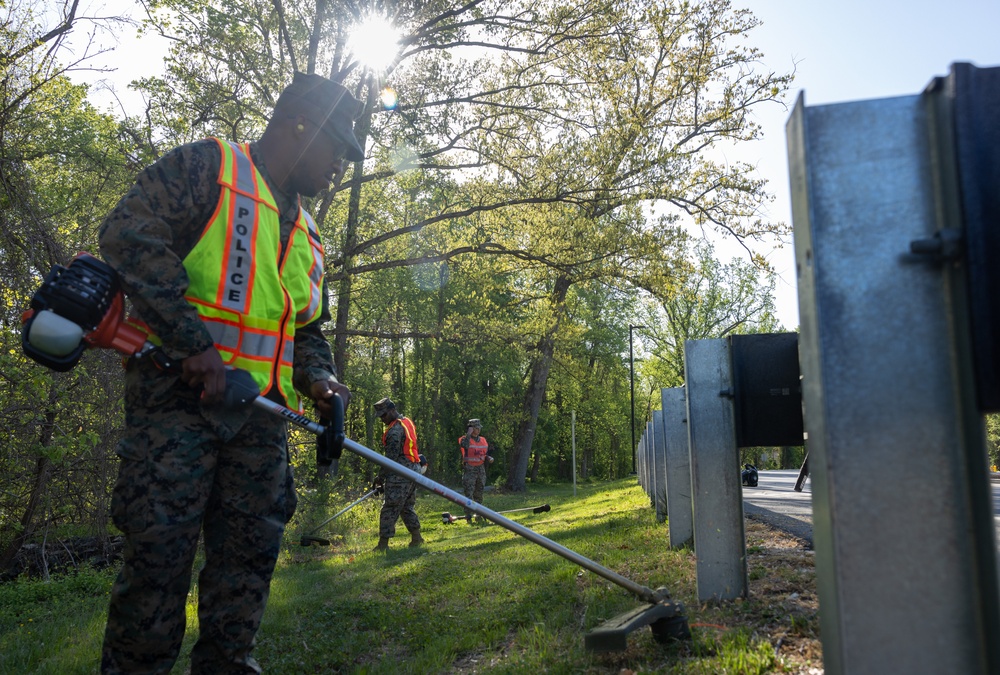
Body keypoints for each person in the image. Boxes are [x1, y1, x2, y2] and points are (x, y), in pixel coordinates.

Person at [97, 71, 361, 674]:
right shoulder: (209, 168)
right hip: (177, 411)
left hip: (259, 421)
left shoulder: (310, 236)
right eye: (336, 151)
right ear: (301, 127)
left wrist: (319, 380)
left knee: (247, 565)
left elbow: (306, 330)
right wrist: (191, 342)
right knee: (157, 569)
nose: (339, 170)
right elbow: (127, 232)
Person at [372, 397, 424, 550]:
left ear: (393, 410)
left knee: (390, 507)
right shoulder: (406, 421)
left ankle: (383, 545)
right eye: (380, 416)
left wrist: (380, 477)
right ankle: (417, 538)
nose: (382, 419)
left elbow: (391, 459)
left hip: (401, 472)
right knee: (406, 507)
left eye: (384, 415)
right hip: (414, 469)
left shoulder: (394, 431)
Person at [458, 418, 493, 523]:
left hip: (480, 468)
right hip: (470, 469)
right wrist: (468, 434)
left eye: (479, 428)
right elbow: (465, 446)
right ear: (471, 429)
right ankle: (468, 516)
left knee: (479, 492)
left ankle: (478, 514)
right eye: (476, 428)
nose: (479, 430)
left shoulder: (482, 439)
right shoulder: (464, 439)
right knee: (469, 493)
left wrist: (488, 458)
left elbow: (481, 453)